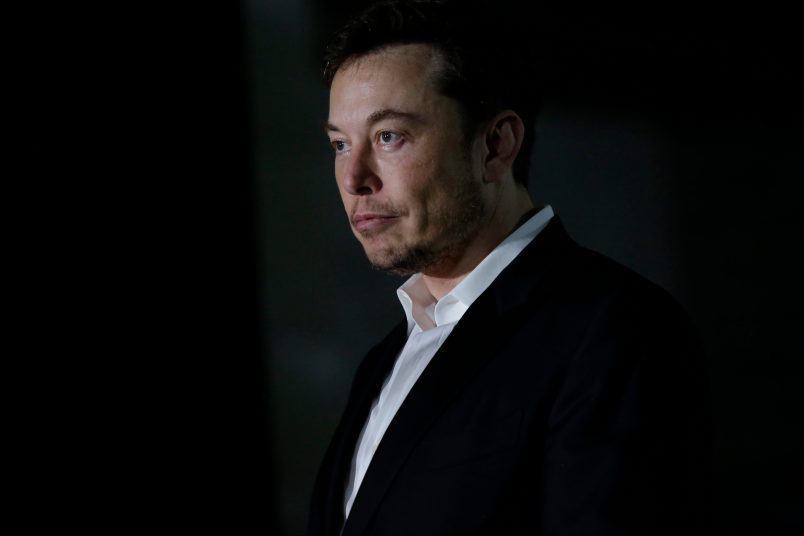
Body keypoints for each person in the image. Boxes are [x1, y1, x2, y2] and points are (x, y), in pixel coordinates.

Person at [309, 1, 710, 534]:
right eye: (340, 143)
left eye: (390, 136)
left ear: (496, 145)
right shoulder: (383, 361)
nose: (354, 177)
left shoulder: (618, 329)